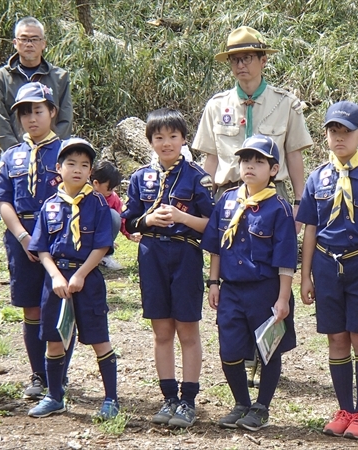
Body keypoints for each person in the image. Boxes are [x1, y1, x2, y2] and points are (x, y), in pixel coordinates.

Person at [297, 101, 358, 440]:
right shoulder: (316, 177)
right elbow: (310, 228)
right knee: (336, 338)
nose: (338, 138)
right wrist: (304, 275)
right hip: (326, 266)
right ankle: (344, 409)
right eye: (332, 131)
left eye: (346, 132)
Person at [122, 108, 214, 428]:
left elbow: (211, 225)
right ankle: (168, 397)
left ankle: (188, 400)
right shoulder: (139, 178)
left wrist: (181, 217)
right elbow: (128, 221)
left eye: (173, 136)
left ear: (184, 139)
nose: (166, 143)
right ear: (149, 141)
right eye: (159, 137)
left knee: (187, 329)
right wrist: (147, 220)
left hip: (186, 255)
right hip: (151, 254)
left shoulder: (197, 176)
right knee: (162, 331)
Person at [201, 134, 298, 431]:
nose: (250, 167)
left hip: (266, 290)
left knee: (269, 351)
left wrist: (283, 299)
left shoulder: (278, 208)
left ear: (273, 170)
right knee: (229, 350)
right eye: (246, 160)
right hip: (231, 289)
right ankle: (241, 402)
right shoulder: (227, 201)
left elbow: (286, 260)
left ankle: (261, 407)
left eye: (259, 162)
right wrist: (213, 282)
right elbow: (218, 245)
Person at [0, 82, 72, 400]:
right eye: (25, 112)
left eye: (38, 110)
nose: (31, 118)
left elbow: (78, 197)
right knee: (31, 309)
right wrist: (23, 237)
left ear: (52, 111)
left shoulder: (67, 152)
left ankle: (58, 376)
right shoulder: (11, 157)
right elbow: (3, 200)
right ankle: (38, 375)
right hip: (22, 238)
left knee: (59, 307)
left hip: (60, 239)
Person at [27, 137, 118, 420]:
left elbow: (102, 246)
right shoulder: (50, 205)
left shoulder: (98, 204)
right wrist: (55, 276)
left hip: (87, 278)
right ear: (58, 167)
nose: (77, 170)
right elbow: (41, 248)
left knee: (98, 338)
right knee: (55, 339)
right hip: (56, 281)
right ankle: (55, 396)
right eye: (71, 164)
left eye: (84, 165)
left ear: (91, 171)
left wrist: (80, 274)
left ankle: (111, 399)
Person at [192, 26, 313, 206]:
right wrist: (204, 202)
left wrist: (298, 202)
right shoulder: (217, 105)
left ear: (263, 60)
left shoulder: (286, 103)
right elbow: (212, 159)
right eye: (235, 60)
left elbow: (293, 155)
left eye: (247, 58)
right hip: (228, 195)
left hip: (273, 195)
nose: (240, 65)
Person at [0, 16, 72, 151]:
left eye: (34, 39)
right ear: (15, 43)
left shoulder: (59, 77)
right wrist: (18, 152)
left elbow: (66, 120)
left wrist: (51, 148)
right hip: (14, 156)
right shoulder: (1, 77)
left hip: (53, 154)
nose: (29, 44)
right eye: (24, 39)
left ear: (43, 43)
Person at [91, 160, 141, 270]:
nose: (112, 191)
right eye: (109, 188)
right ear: (96, 183)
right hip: (84, 234)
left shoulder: (112, 197)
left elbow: (122, 216)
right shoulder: (84, 195)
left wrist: (129, 234)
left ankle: (104, 256)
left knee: (114, 215)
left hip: (100, 234)